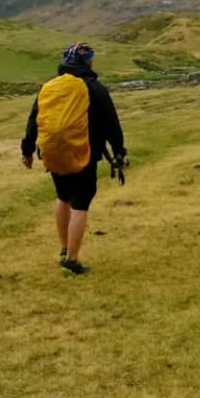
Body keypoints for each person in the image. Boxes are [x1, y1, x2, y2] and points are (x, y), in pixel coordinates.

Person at [22, 42, 126, 274]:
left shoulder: (50, 87)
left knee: (63, 197)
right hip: (84, 153)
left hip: (54, 153)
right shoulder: (94, 88)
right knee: (81, 203)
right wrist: (119, 151)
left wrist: (26, 150)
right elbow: (111, 123)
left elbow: (34, 118)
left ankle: (63, 247)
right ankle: (71, 259)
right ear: (87, 61)